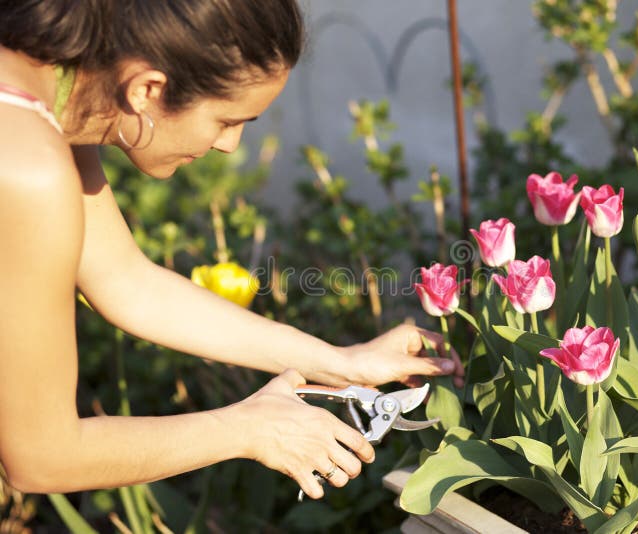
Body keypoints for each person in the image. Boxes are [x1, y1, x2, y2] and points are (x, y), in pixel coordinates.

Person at [0, 0, 463, 501]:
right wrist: (249, 429)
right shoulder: (27, 164)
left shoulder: (51, 95)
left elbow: (125, 281)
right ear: (148, 89)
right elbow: (42, 458)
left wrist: (341, 364)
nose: (230, 144)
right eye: (227, 119)